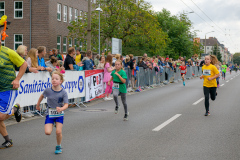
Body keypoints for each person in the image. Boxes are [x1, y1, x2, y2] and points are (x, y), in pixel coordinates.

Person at [0, 44, 28, 149]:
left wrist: (17, 79)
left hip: (8, 89)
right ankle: (8, 140)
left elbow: (24, 64)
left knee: (1, 116)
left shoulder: (8, 52)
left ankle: (15, 108)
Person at [36, 71, 68, 154]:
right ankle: (53, 123)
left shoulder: (63, 92)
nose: (54, 80)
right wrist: (38, 105)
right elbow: (42, 96)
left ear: (60, 81)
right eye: (52, 78)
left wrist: (61, 109)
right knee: (47, 132)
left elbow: (66, 105)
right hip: (50, 114)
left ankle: (58, 146)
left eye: (56, 79)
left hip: (59, 114)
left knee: (58, 132)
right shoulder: (48, 90)